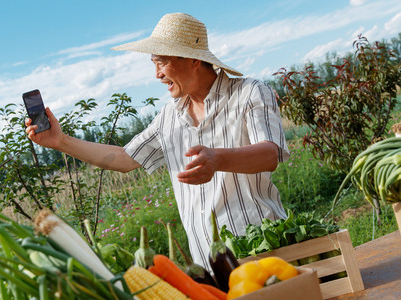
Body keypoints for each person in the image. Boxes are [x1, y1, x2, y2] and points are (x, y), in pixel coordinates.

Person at [25, 12, 290, 270]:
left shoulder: (249, 92)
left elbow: (269, 155)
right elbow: (125, 158)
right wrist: (61, 141)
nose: (157, 74)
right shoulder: (168, 116)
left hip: (263, 249)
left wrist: (218, 159)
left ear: (192, 59)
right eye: (154, 63)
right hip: (207, 264)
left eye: (161, 62)